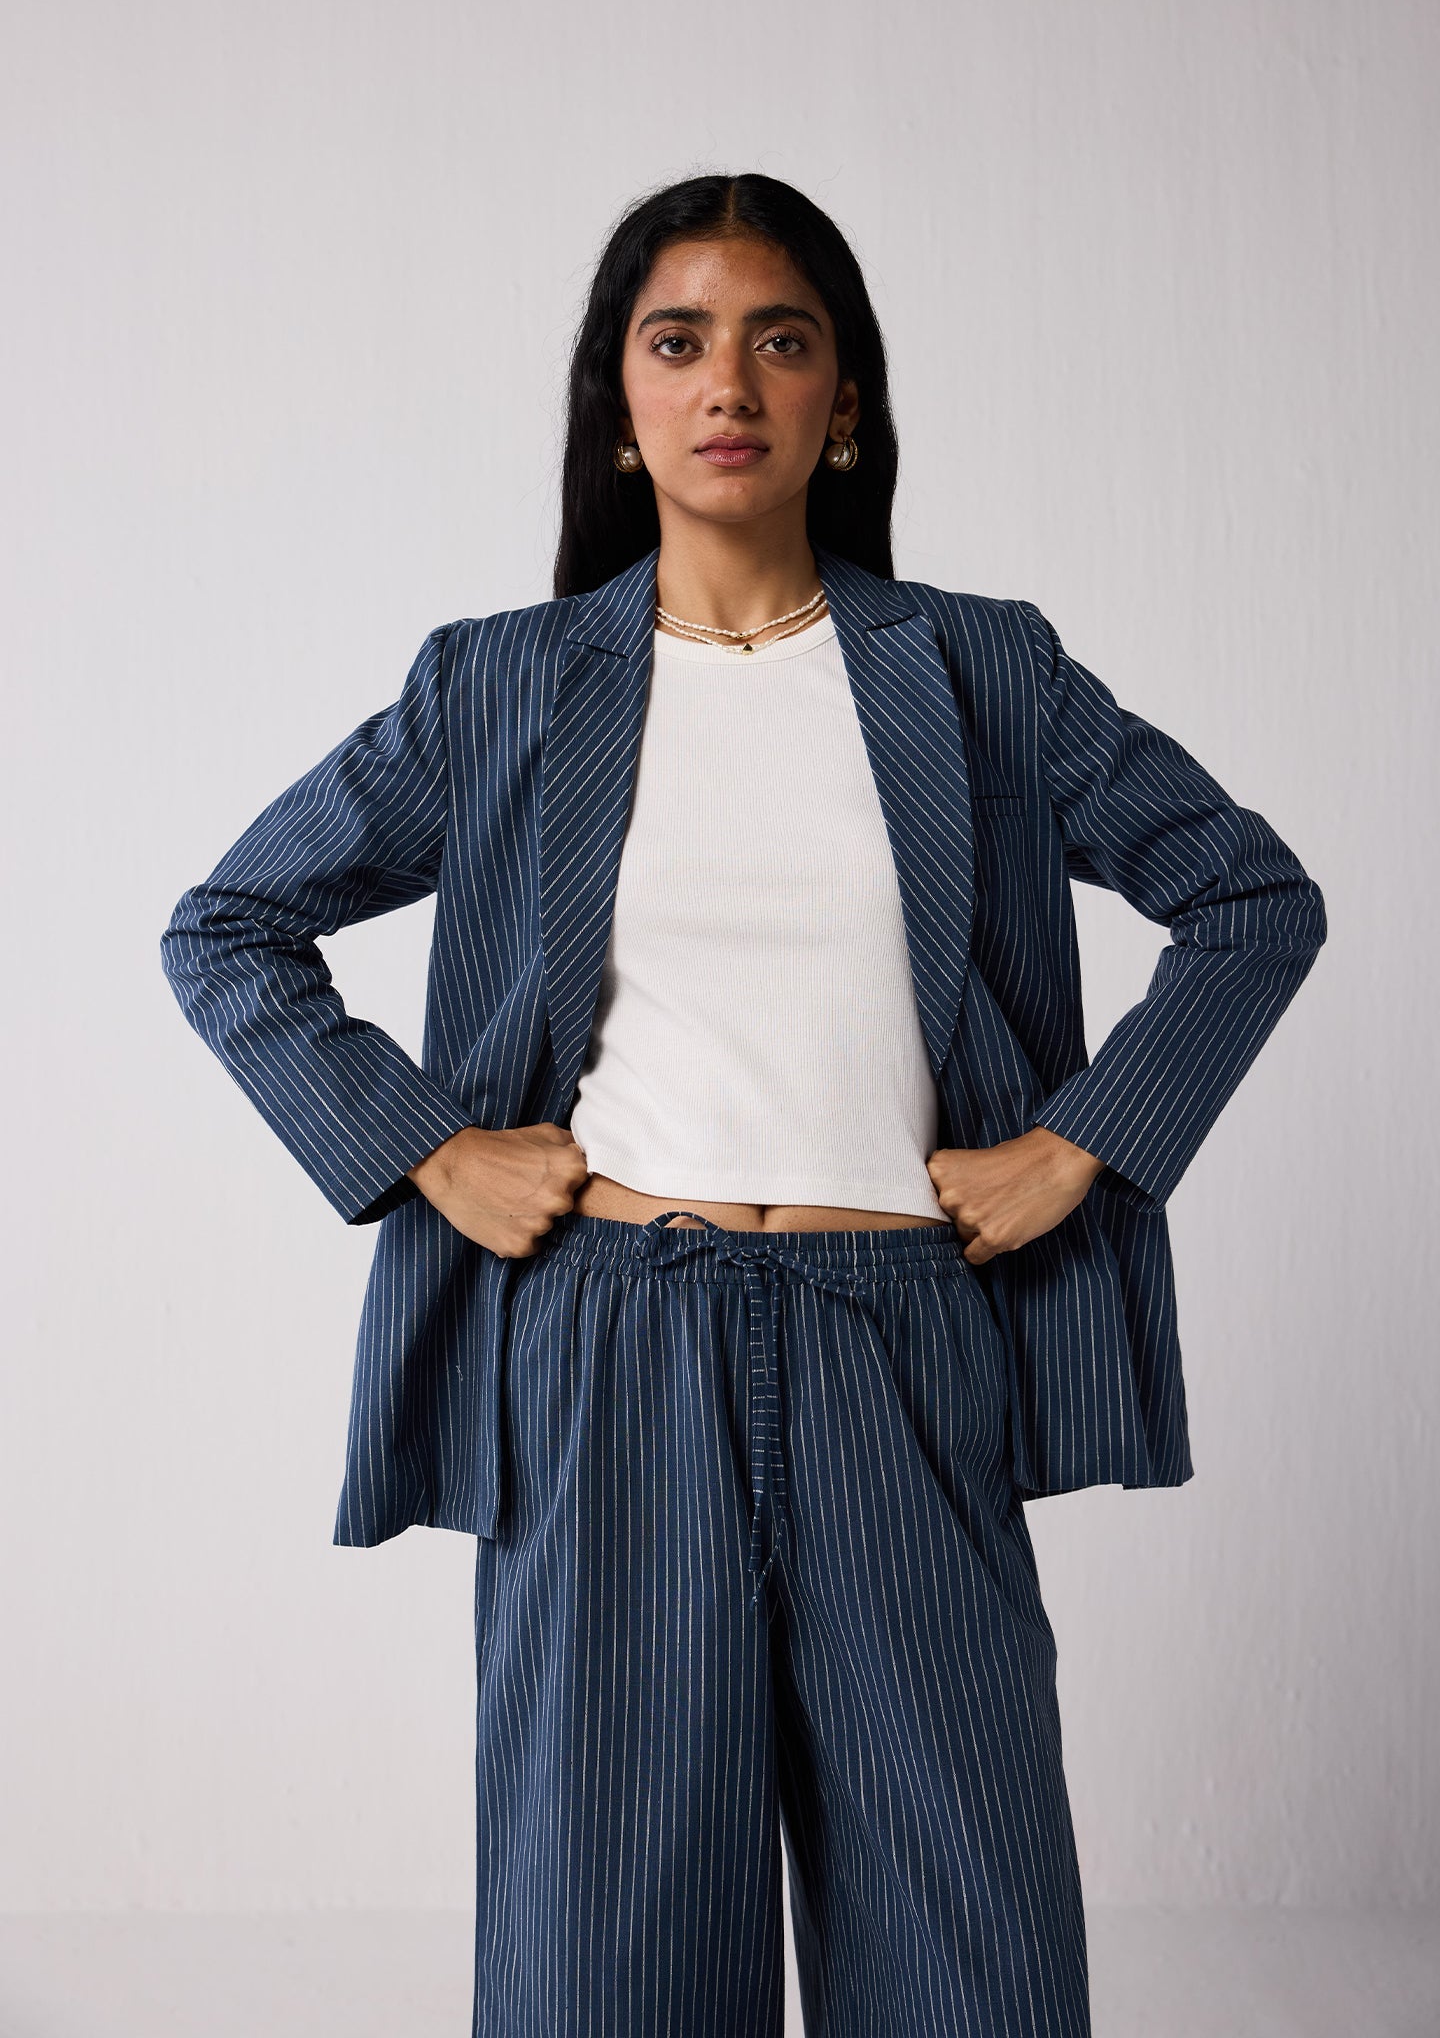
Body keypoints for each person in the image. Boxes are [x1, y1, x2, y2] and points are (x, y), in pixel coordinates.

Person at [161, 172, 1327, 2038]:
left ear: (843, 400)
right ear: (618, 409)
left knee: (977, 1963)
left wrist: (1085, 1143)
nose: (730, 382)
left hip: (905, 1350)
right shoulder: (502, 690)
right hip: (610, 1360)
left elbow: (1253, 896)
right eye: (677, 340)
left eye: (782, 340)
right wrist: (427, 1150)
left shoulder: (982, 671)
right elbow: (229, 926)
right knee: (607, 1972)